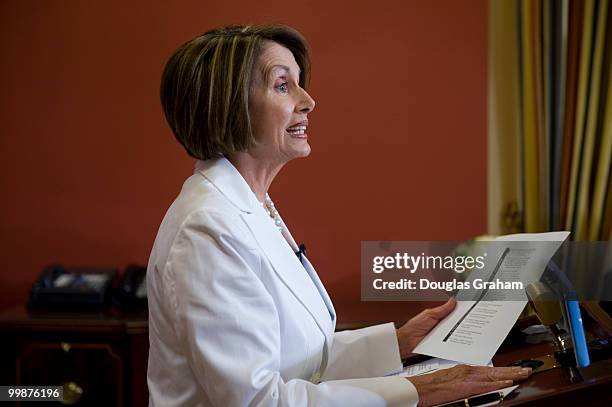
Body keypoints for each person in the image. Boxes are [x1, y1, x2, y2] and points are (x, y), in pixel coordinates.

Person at [146, 24, 531, 407]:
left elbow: (300, 365)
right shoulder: (205, 229)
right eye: (283, 85)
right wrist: (422, 390)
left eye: (299, 83)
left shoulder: (250, 205)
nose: (308, 100)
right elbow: (258, 401)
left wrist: (398, 343)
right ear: (227, 105)